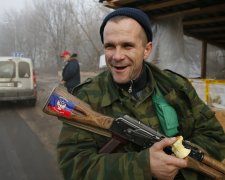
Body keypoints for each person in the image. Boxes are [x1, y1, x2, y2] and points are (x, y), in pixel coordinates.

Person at [57, 8, 225, 180]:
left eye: (127, 45)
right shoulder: (84, 97)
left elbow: (215, 137)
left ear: (147, 49)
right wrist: (144, 165)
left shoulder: (176, 86)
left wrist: (177, 162)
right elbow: (73, 166)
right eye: (110, 46)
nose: (117, 56)